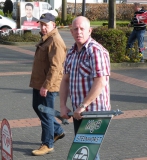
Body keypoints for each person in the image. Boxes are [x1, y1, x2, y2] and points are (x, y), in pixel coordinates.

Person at [59, 16, 111, 160]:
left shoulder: (96, 51)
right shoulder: (71, 53)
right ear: (71, 32)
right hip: (78, 112)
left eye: (82, 29)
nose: (79, 32)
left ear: (90, 30)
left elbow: (100, 81)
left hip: (94, 113)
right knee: (85, 153)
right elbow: (65, 80)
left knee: (89, 153)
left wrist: (83, 105)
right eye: (75, 29)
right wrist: (63, 105)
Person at [29, 13, 67, 156]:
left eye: (46, 25)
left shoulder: (55, 41)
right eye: (42, 24)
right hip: (39, 83)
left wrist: (46, 86)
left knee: (45, 114)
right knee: (38, 108)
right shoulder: (47, 39)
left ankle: (47, 144)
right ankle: (57, 131)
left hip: (48, 85)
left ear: (53, 25)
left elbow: (56, 68)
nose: (43, 27)